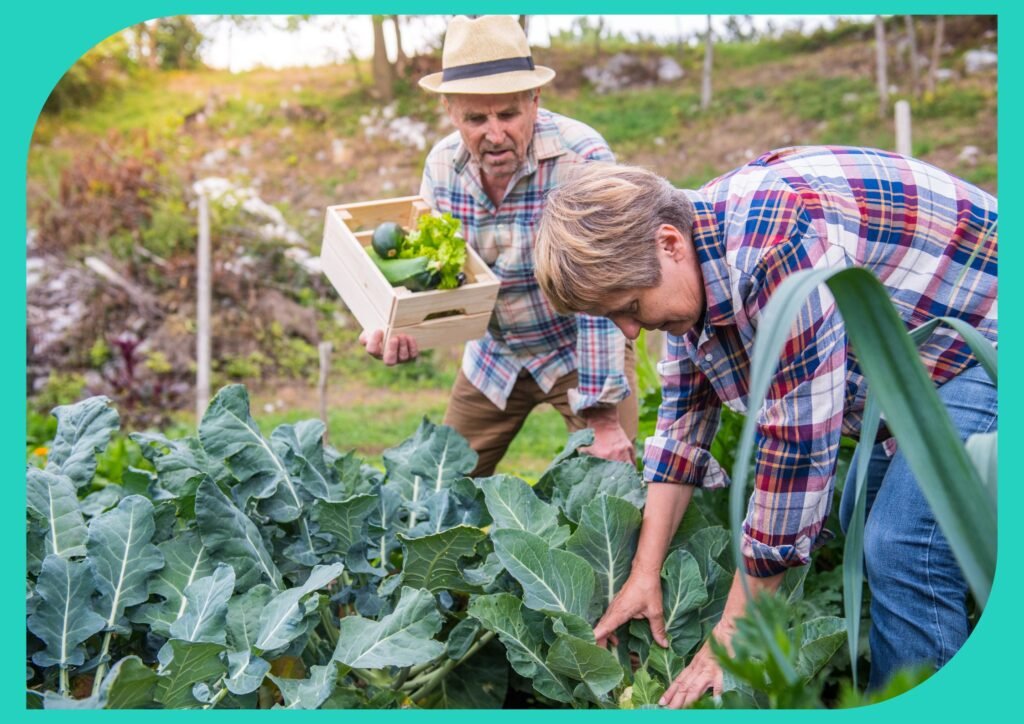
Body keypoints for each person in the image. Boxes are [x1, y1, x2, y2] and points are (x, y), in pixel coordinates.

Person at [533, 147, 998, 706]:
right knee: (862, 511)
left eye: (631, 306)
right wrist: (643, 572)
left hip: (986, 339)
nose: (631, 332)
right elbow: (682, 421)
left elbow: (797, 451)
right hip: (917, 364)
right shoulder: (696, 261)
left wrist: (733, 634)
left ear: (669, 243)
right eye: (615, 318)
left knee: (900, 542)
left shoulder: (773, 250)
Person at [360, 15, 637, 477]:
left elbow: (604, 294)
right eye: (475, 118)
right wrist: (393, 321)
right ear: (450, 110)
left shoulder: (582, 159)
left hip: (578, 350)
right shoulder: (442, 167)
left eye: (507, 114)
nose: (493, 134)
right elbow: (430, 270)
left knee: (612, 488)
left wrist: (603, 415)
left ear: (534, 100)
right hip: (496, 355)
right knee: (434, 490)